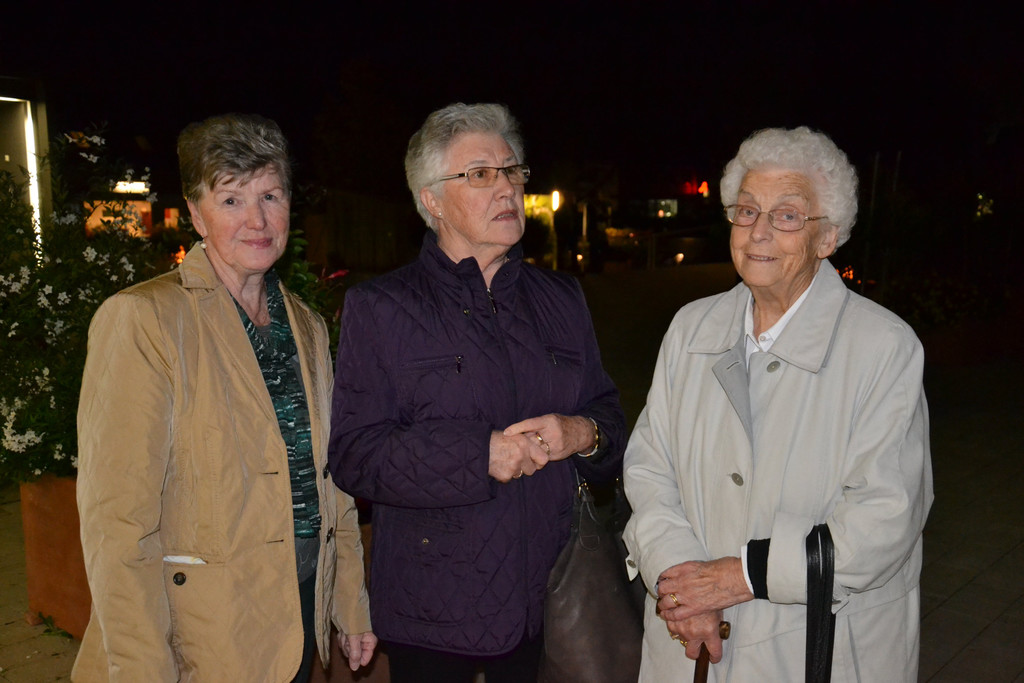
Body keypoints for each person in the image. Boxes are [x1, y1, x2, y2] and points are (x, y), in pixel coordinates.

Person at [328, 102, 626, 683]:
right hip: (431, 616)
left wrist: (582, 433)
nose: (507, 188)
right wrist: (478, 454)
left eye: (512, 171)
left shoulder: (562, 299)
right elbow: (356, 454)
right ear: (432, 200)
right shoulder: (381, 308)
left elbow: (610, 418)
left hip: (552, 602)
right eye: (481, 174)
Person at [622, 126, 933, 681]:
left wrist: (739, 576)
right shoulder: (691, 328)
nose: (758, 231)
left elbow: (885, 517)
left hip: (816, 649)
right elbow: (649, 470)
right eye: (746, 211)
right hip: (689, 642)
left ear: (827, 237)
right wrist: (682, 581)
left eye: (787, 215)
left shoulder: (883, 347)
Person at [73, 114, 376, 682]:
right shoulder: (145, 320)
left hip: (300, 608)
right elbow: (118, 524)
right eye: (232, 200)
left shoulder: (307, 326)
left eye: (270, 196)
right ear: (195, 213)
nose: (257, 221)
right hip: (202, 633)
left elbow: (331, 478)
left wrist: (349, 604)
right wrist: (142, 669)